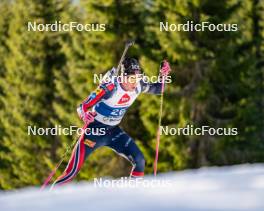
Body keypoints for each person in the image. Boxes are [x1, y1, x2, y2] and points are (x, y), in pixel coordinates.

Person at [51, 57, 171, 188]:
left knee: (140, 160)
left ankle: (134, 197)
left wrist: (163, 75)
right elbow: (82, 107)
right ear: (123, 77)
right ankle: (47, 198)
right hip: (94, 131)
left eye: (138, 77)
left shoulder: (139, 85)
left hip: (113, 132)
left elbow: (159, 89)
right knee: (71, 172)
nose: (135, 82)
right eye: (132, 78)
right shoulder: (110, 87)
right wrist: (85, 115)